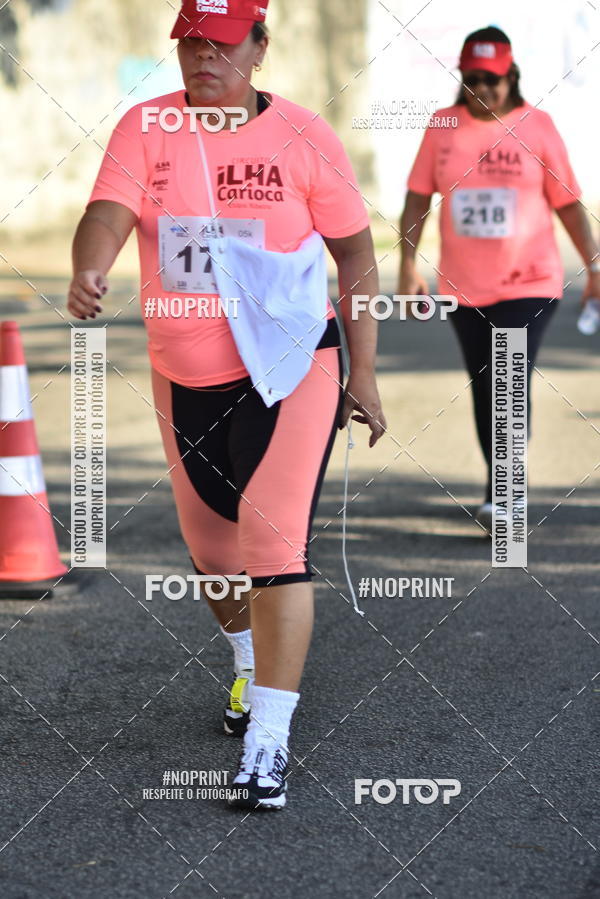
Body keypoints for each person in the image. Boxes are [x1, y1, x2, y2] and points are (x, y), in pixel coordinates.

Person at [68, 0, 386, 810]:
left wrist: (366, 373)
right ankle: (247, 667)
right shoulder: (146, 127)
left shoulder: (307, 136)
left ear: (260, 44)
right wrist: (93, 264)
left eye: (222, 43)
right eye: (191, 43)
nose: (204, 57)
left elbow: (353, 253)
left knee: (272, 542)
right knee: (212, 551)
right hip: (186, 371)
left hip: (289, 366)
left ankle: (269, 745)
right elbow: (108, 209)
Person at [398, 25, 600, 532]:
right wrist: (406, 266)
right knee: (486, 384)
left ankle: (506, 497)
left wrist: (594, 267)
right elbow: (418, 199)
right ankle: (499, 483)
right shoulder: (442, 126)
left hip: (529, 282)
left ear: (511, 76)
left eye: (492, 79)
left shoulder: (538, 127)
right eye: (473, 78)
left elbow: (570, 206)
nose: (483, 89)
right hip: (463, 287)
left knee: (508, 376)